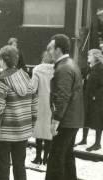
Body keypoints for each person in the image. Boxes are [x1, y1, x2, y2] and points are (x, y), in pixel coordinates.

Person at [0, 45, 37, 180]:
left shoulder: (1, 81)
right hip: (23, 131)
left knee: (3, 167)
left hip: (5, 133)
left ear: (3, 60)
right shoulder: (26, 77)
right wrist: (31, 124)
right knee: (19, 165)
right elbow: (35, 105)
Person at [45, 34, 84, 180]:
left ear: (58, 50)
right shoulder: (71, 64)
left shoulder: (63, 68)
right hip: (72, 119)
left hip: (65, 121)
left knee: (55, 158)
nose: (49, 51)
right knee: (66, 156)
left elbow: (62, 97)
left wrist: (55, 121)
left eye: (51, 48)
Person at [75, 49, 103, 151]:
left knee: (97, 120)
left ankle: (97, 143)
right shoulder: (89, 68)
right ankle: (84, 139)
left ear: (95, 57)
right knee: (86, 118)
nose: (88, 57)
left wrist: (96, 95)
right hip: (87, 97)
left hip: (97, 100)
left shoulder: (100, 68)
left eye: (89, 55)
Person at [30, 51, 54, 165]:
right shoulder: (57, 69)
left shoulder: (37, 69)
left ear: (42, 58)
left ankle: (38, 157)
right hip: (52, 103)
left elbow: (33, 88)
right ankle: (46, 158)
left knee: (39, 131)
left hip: (40, 102)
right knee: (48, 131)